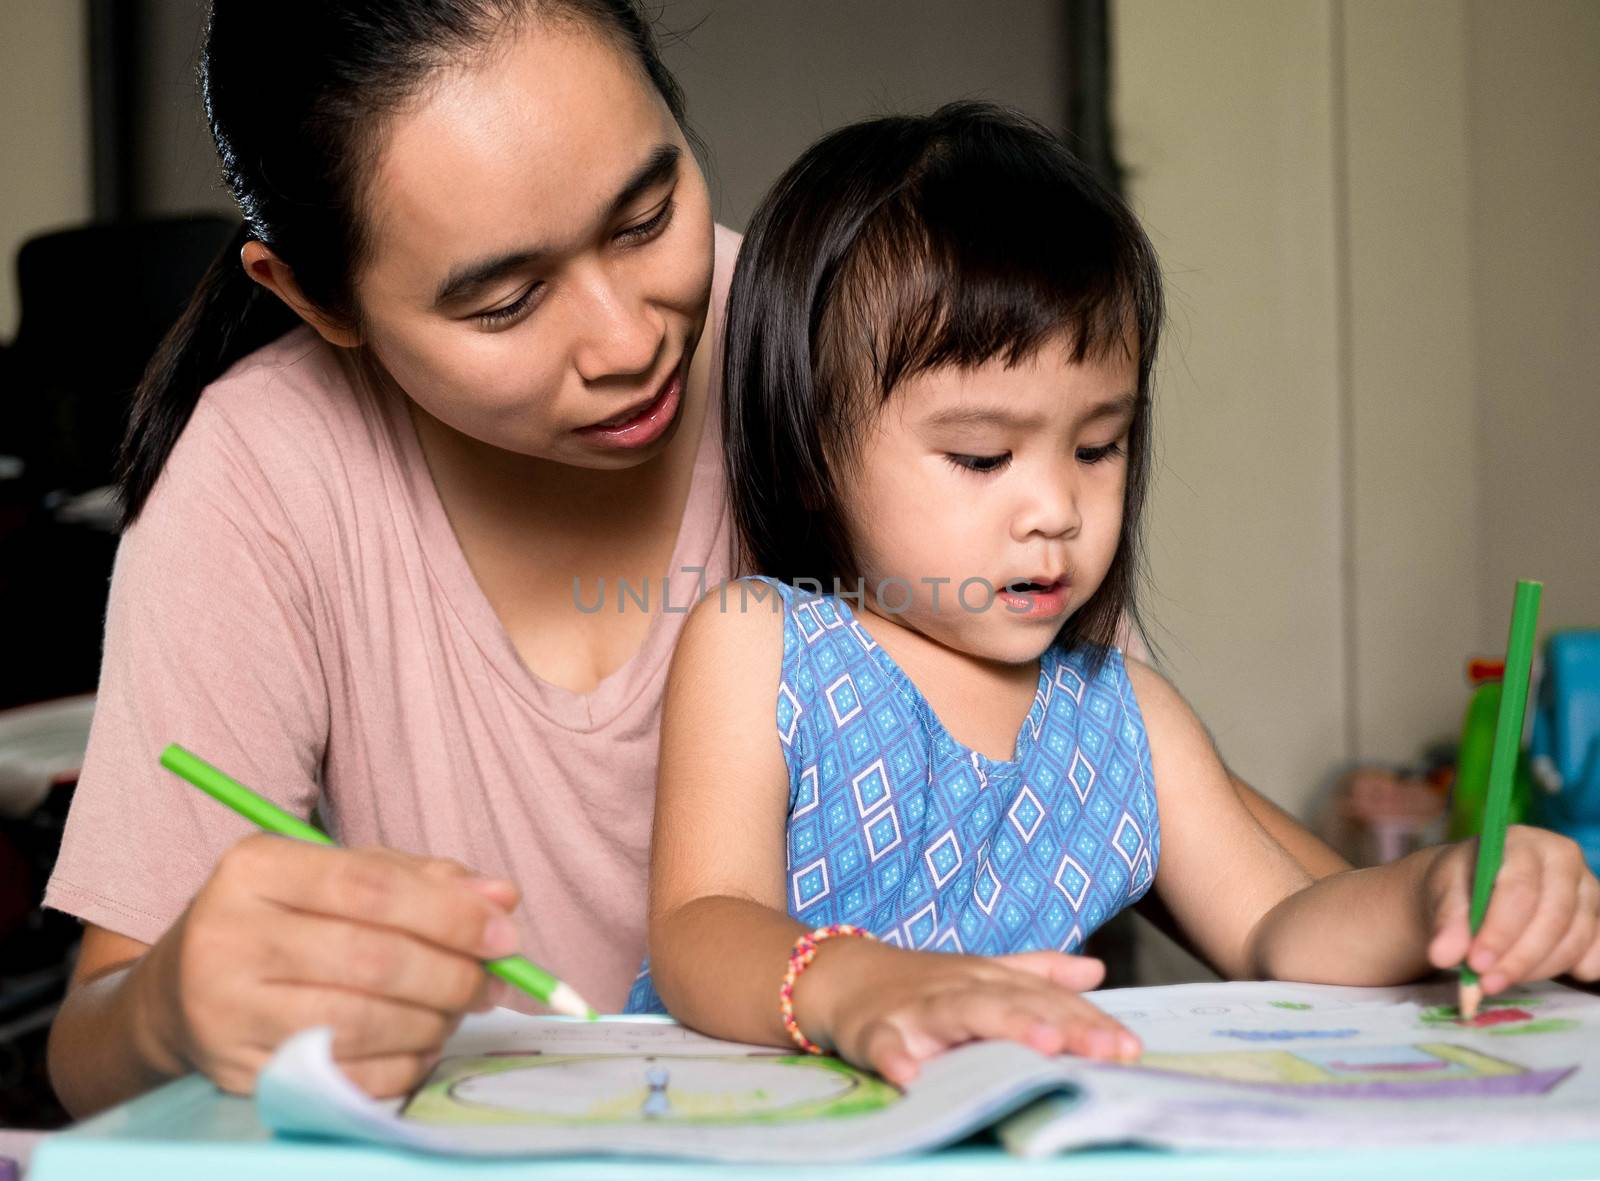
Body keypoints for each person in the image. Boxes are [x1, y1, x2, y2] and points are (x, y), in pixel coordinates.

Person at [44, 1, 1342, 1116]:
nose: (626, 340)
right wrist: (170, 1007)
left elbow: (1126, 772)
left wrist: (1456, 913)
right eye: (505, 302)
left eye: (646, 212)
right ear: (315, 298)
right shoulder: (263, 473)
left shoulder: (840, 341)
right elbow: (94, 1044)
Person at [634, 103, 1600, 1084]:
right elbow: (698, 923)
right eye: (981, 454)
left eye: (1098, 444)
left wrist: (1432, 888)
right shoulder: (762, 641)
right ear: (809, 456)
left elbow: (1276, 928)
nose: (1056, 505)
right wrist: (859, 985)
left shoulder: (1123, 714)